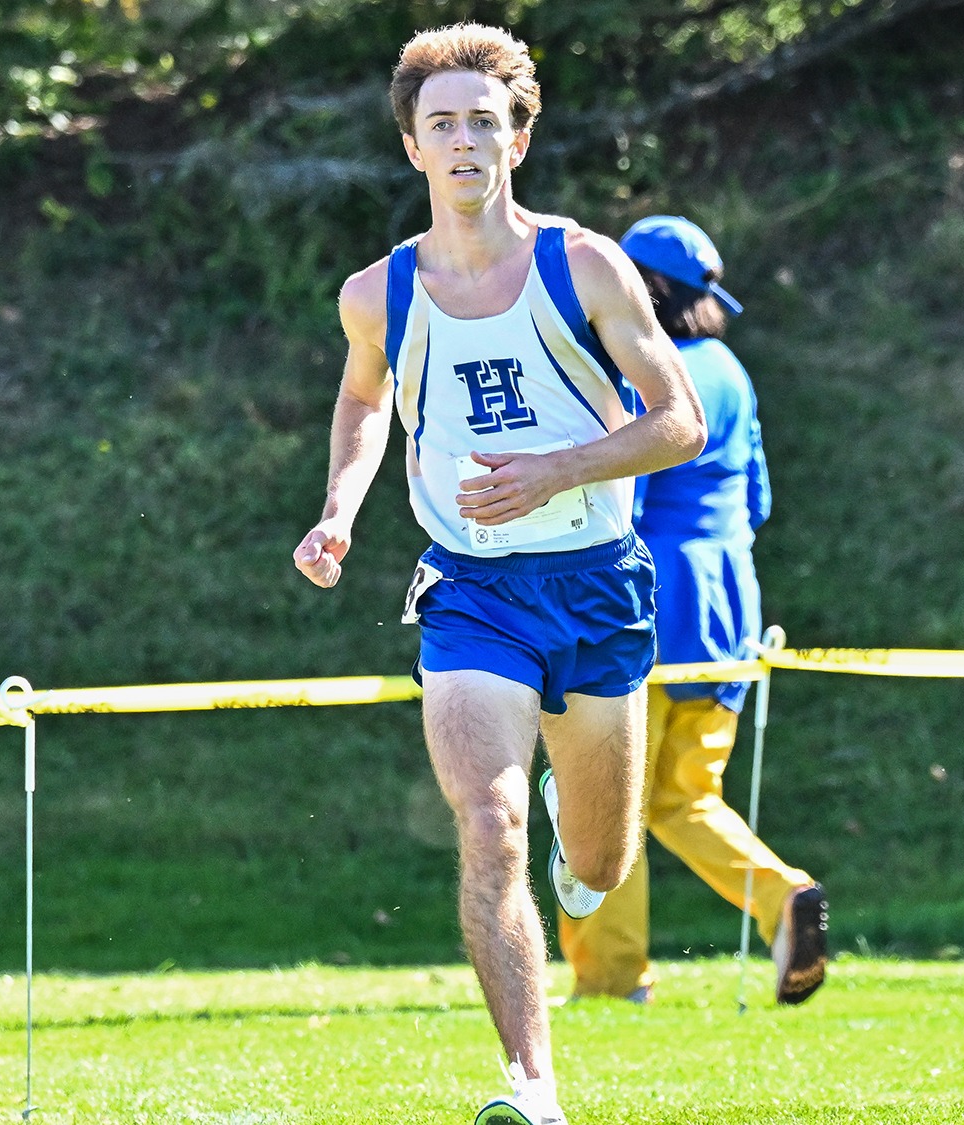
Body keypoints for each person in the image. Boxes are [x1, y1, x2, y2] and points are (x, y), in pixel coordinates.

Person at [291, 24, 706, 1125]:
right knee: (487, 822)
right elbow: (363, 398)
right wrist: (338, 509)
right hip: (472, 589)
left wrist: (554, 471)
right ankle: (533, 1089)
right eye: (442, 124)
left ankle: (582, 868)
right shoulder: (376, 294)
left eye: (484, 120)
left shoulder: (584, 265)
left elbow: (679, 423)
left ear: (517, 139)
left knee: (601, 860)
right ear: (412, 148)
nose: (464, 140)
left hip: (595, 584)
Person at [556, 216, 828, 1007]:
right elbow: (759, 500)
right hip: (727, 608)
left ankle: (611, 981)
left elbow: (619, 505)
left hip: (644, 607)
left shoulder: (643, 371)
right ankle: (784, 897)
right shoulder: (733, 372)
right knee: (682, 796)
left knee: (604, 802)